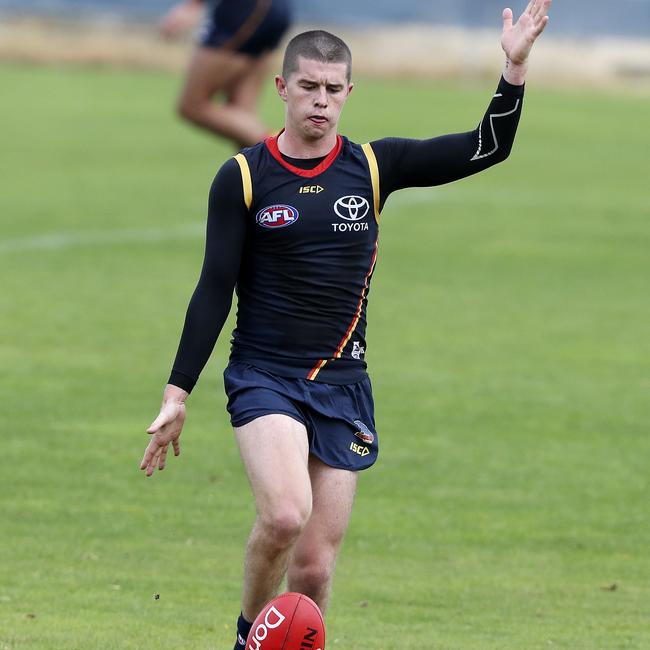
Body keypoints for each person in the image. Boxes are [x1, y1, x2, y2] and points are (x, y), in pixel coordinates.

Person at [141, 3, 551, 648]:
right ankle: (248, 636)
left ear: (349, 94)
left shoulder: (375, 167)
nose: (321, 102)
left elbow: (487, 146)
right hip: (264, 376)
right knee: (282, 516)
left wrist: (515, 64)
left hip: (343, 384)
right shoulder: (244, 176)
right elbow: (214, 287)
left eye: (334, 90)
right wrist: (177, 392)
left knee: (314, 567)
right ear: (282, 88)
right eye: (308, 87)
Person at [160, 0, 292, 148]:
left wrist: (194, 4)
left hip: (245, 9)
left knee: (192, 105)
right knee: (241, 116)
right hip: (270, 9)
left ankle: (286, 153)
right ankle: (266, 168)